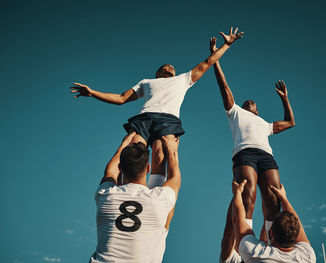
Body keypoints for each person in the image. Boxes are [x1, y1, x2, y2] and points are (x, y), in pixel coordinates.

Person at [70, 27, 243, 188]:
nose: (170, 67)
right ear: (157, 74)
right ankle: (127, 191)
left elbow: (208, 62)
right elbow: (121, 98)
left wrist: (226, 45)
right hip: (145, 117)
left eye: (173, 67)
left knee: (159, 155)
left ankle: (151, 196)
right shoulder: (147, 82)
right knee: (132, 151)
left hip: (167, 119)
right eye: (165, 66)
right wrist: (93, 93)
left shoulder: (183, 79)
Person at [210, 37, 295, 235]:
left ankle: (270, 242)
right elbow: (224, 86)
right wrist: (215, 58)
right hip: (245, 154)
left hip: (266, 156)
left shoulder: (265, 124)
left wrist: (285, 99)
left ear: (257, 110)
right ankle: (244, 243)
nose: (249, 101)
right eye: (246, 101)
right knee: (248, 196)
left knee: (274, 201)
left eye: (253, 102)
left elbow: (290, 122)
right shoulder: (235, 111)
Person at [89, 132, 181, 263]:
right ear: (147, 168)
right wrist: (172, 149)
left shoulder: (106, 195)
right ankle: (160, 140)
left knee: (164, 211)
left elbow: (110, 172)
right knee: (165, 213)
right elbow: (174, 178)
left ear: (121, 168)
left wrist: (124, 145)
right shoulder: (105, 194)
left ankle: (150, 139)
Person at [231, 181, 316, 262]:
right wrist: (284, 199)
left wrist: (237, 193)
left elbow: (239, 220)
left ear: (271, 233)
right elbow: (238, 220)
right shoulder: (307, 257)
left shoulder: (255, 253)